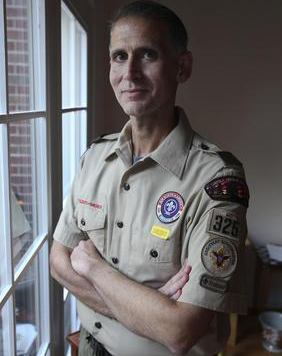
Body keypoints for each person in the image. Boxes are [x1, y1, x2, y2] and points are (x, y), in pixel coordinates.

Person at [50, 1, 249, 355]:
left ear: (182, 67)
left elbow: (178, 330)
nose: (130, 73)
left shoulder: (217, 180)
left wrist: (94, 268)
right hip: (88, 346)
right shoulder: (94, 158)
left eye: (148, 55)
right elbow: (58, 260)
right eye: (119, 56)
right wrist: (148, 308)